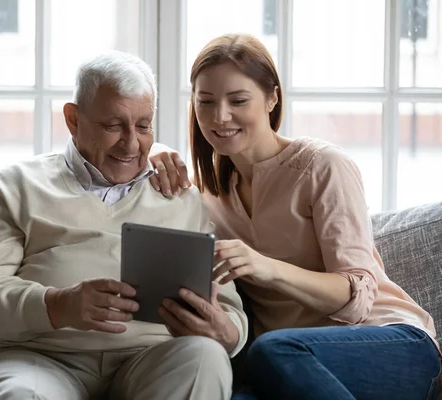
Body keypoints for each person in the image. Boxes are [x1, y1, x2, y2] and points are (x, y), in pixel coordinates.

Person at [149, 33, 441, 400]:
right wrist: (154, 151)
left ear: (272, 97)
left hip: (390, 344)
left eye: (238, 100)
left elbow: (358, 298)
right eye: (205, 102)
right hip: (288, 368)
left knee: (272, 349)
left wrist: (264, 267)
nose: (219, 117)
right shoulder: (206, 198)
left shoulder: (323, 166)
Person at [0, 50, 248, 400]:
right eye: (112, 126)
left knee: (205, 358)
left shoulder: (179, 196)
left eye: (143, 126)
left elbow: (230, 311)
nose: (131, 143)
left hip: (152, 359)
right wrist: (59, 304)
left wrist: (226, 332)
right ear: (73, 119)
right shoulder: (14, 187)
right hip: (41, 359)